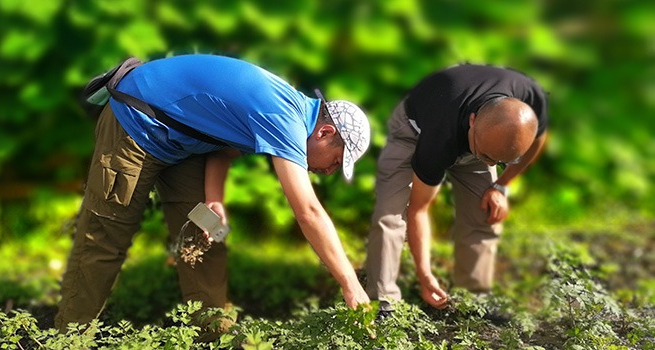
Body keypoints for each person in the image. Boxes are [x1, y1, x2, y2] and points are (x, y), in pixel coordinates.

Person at [55, 54, 372, 333]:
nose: (329, 171)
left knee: (209, 230)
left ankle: (212, 332)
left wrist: (214, 200)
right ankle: (69, 336)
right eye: (334, 161)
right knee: (106, 237)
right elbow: (308, 212)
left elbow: (225, 150)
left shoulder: (290, 113)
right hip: (137, 123)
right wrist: (351, 284)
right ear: (326, 133)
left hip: (183, 144)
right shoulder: (285, 119)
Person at [364, 63, 548, 313]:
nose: (490, 164)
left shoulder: (530, 99)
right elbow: (418, 209)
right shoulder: (439, 137)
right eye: (485, 155)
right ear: (473, 121)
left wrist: (499, 186)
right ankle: (383, 302)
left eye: (499, 161)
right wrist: (425, 274)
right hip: (416, 129)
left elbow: (538, 141)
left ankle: (474, 299)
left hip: (481, 133)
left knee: (486, 210)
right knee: (391, 214)